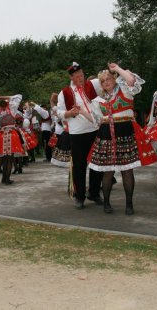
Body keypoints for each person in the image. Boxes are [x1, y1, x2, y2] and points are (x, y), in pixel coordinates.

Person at [87, 63, 147, 215]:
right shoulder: (98, 101)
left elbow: (132, 80)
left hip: (124, 131)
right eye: (103, 81)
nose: (106, 82)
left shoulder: (125, 91)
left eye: (108, 78)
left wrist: (117, 68)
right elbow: (96, 121)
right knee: (108, 171)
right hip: (106, 133)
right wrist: (81, 111)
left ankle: (129, 204)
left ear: (114, 79)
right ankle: (106, 203)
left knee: (127, 170)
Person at [57, 61, 104, 209]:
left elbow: (106, 79)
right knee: (79, 166)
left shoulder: (92, 85)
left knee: (98, 163)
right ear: (71, 77)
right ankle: (80, 196)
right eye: (77, 76)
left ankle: (94, 193)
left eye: (82, 75)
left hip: (96, 129)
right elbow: (58, 112)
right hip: (77, 133)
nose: (81, 78)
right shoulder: (64, 93)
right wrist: (69, 113)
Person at [0, 95, 25, 185]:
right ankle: (7, 179)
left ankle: (3, 178)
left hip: (1, 135)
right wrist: (3, 96)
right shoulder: (12, 111)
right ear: (7, 104)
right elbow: (18, 96)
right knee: (10, 158)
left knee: (4, 158)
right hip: (12, 135)